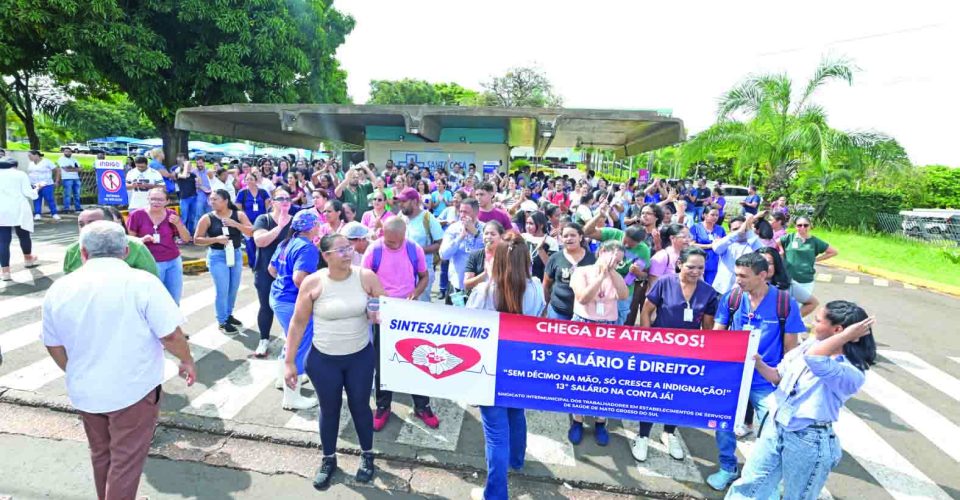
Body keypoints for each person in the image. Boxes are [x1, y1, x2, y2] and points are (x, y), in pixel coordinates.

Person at [41, 220, 196, 500]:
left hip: (85, 389)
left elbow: (53, 344)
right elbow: (171, 335)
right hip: (133, 389)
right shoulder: (142, 283)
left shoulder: (60, 289)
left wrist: (75, 370)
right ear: (125, 251)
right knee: (125, 461)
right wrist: (187, 360)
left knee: (101, 454)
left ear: (84, 253)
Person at [727, 302, 876, 499]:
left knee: (798, 496)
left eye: (818, 320)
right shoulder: (810, 344)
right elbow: (778, 376)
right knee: (749, 487)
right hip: (776, 426)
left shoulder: (850, 371)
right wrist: (758, 363)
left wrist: (847, 335)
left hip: (808, 438)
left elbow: (815, 360)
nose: (812, 323)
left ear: (838, 330)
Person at [284, 233, 385, 489]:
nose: (348, 253)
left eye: (349, 248)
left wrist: (377, 313)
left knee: (360, 406)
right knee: (329, 409)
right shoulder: (313, 283)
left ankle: (367, 455)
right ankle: (329, 459)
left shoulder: (366, 277)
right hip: (323, 360)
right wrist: (289, 362)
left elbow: (385, 309)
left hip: (360, 357)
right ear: (326, 256)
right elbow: (297, 323)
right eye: (340, 250)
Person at [706, 252, 805, 492]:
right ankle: (727, 468)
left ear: (763, 275)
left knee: (771, 430)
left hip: (765, 380)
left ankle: (764, 479)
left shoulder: (784, 302)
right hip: (735, 376)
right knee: (723, 425)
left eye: (744, 276)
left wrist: (787, 380)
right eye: (736, 274)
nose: (738, 280)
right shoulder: (732, 297)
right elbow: (719, 333)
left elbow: (792, 348)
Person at [466, 232, 546, 500]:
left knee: (495, 435)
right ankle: (518, 459)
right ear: (526, 260)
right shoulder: (535, 288)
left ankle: (495, 495)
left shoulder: (483, 291)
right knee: (516, 414)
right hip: (521, 364)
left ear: (496, 260)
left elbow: (467, 329)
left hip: (489, 368)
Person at [633, 247, 718, 462]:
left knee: (678, 394)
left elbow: (707, 327)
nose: (695, 271)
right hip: (659, 349)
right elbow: (646, 311)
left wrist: (705, 354)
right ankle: (642, 435)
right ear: (680, 264)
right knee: (652, 392)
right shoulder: (664, 282)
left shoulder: (708, 292)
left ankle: (669, 433)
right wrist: (646, 340)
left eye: (700, 267)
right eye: (691, 266)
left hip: (688, 353)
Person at [362, 218, 438, 430]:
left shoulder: (414, 250)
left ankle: (422, 406)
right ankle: (383, 406)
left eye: (395, 242)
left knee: (416, 360)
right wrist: (374, 305)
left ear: (404, 236)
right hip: (383, 315)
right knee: (383, 363)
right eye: (387, 241)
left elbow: (423, 276)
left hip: (408, 314)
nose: (390, 245)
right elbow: (363, 279)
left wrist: (415, 293)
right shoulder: (374, 250)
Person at [566, 240, 629, 446]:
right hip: (583, 325)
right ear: (601, 252)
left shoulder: (616, 274)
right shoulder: (582, 272)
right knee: (580, 374)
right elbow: (583, 298)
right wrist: (601, 274)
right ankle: (577, 419)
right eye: (612, 259)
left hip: (608, 326)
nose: (614, 264)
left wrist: (612, 272)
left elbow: (623, 295)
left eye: (618, 262)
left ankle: (601, 420)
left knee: (604, 376)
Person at [269, 210, 322, 410]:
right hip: (292, 302)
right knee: (299, 347)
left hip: (278, 297)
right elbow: (300, 279)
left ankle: (281, 379)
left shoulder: (286, 242)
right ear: (311, 227)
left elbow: (272, 270)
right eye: (317, 224)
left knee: (289, 340)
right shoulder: (307, 248)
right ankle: (292, 398)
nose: (319, 227)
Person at [194, 189, 253, 334]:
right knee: (222, 290)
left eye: (215, 199)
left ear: (226, 201)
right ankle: (222, 320)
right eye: (211, 199)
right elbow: (196, 239)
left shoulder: (238, 215)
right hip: (217, 256)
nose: (212, 202)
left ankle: (228, 314)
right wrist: (216, 239)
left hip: (236, 254)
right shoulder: (207, 218)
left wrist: (236, 225)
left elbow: (251, 231)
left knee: (233, 289)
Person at [251, 187, 296, 357]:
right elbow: (260, 242)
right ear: (272, 202)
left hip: (289, 272)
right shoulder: (263, 219)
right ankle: (263, 339)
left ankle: (290, 340)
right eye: (280, 199)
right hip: (264, 270)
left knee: (291, 307)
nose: (285, 202)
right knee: (266, 306)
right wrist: (280, 227)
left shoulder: (295, 220)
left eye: (287, 199)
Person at [126, 188, 191, 304]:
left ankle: (173, 322)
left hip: (173, 261)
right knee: (153, 300)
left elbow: (186, 238)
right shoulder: (137, 215)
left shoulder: (172, 215)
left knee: (173, 300)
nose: (156, 202)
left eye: (160, 200)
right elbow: (129, 241)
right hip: (149, 261)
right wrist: (141, 240)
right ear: (148, 199)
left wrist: (178, 224)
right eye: (153, 199)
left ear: (167, 201)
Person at [63, 206, 159, 276]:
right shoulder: (72, 251)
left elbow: (151, 281)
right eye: (81, 224)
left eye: (92, 223)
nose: (85, 228)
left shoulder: (136, 247)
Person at [780, 216, 838, 317]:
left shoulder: (815, 241)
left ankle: (793, 322)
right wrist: (781, 252)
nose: (802, 227)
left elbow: (833, 252)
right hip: (788, 279)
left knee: (800, 307)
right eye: (799, 225)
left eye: (805, 225)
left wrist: (817, 259)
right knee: (785, 306)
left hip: (805, 281)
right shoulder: (789, 238)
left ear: (810, 226)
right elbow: (777, 242)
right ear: (795, 226)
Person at [396, 187, 444, 301]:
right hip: (401, 270)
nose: (400, 204)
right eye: (400, 201)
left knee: (421, 308)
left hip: (423, 272)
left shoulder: (428, 218)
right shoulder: (400, 216)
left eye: (404, 201)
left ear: (414, 202)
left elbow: (440, 243)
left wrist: (418, 250)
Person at [543, 222, 597, 320]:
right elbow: (546, 285)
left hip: (584, 314)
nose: (569, 238)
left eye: (573, 235)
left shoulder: (593, 259)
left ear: (580, 237)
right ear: (561, 239)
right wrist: (545, 307)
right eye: (565, 236)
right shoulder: (555, 258)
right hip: (558, 312)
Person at [439, 197, 486, 304]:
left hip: (479, 287)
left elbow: (494, 249)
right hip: (457, 286)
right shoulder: (453, 229)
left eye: (466, 212)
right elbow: (443, 255)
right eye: (460, 211)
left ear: (476, 213)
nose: (462, 215)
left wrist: (476, 233)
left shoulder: (486, 229)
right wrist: (460, 237)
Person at [0, 156, 39, 280]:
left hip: (1, 210)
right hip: (19, 209)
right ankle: (28, 259)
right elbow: (29, 194)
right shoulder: (20, 174)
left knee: (3, 241)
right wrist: (37, 188)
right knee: (23, 235)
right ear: (14, 166)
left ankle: (5, 271)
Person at [711, 214, 764, 295]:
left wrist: (749, 230)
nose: (741, 231)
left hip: (744, 292)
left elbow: (762, 252)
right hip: (722, 290)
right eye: (735, 229)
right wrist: (738, 232)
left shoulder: (753, 243)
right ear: (730, 232)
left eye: (742, 227)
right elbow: (717, 248)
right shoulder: (726, 243)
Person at [236, 174, 271, 269]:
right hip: (248, 222)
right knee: (250, 245)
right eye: (247, 179)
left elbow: (268, 206)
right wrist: (244, 222)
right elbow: (239, 209)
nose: (249, 181)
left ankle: (263, 264)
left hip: (262, 222)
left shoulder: (263, 192)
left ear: (255, 180)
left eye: (251, 179)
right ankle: (254, 265)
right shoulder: (242, 193)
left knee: (262, 243)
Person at [690, 205, 727, 285]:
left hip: (714, 263)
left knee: (710, 287)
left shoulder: (720, 229)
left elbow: (725, 244)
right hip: (699, 261)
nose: (715, 217)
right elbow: (691, 244)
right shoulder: (696, 227)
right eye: (712, 215)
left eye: (717, 215)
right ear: (705, 215)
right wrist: (710, 246)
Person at [464, 220, 505, 291]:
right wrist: (484, 275)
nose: (489, 237)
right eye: (486, 233)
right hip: (479, 297)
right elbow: (467, 284)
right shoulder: (475, 255)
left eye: (493, 234)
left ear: (501, 237)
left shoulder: (507, 255)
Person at [648, 223, 689, 287]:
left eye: (688, 236)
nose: (687, 240)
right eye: (683, 237)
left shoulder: (689, 256)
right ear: (672, 238)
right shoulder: (661, 256)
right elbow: (653, 286)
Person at [521, 211, 557, 281]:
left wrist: (541, 249)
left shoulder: (550, 242)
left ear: (541, 225)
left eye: (531, 224)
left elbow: (551, 266)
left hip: (540, 280)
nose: (528, 226)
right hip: (523, 279)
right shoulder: (523, 237)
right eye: (527, 223)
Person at [27, 150, 60, 220]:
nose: (29, 157)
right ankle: (37, 214)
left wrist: (56, 181)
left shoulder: (46, 161)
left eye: (30, 156)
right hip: (34, 184)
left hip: (46, 183)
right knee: (36, 199)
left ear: (36, 155)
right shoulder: (31, 163)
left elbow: (57, 170)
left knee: (49, 198)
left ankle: (54, 213)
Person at [173, 158, 200, 235]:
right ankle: (182, 235)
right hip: (184, 199)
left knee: (192, 218)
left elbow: (200, 182)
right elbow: (184, 176)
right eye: (188, 165)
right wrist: (185, 166)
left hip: (194, 198)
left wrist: (196, 173)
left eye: (190, 166)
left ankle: (190, 234)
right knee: (184, 218)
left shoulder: (192, 175)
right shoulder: (178, 174)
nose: (189, 167)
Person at [58, 146, 83, 214]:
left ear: (71, 152)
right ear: (63, 152)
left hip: (76, 178)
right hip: (67, 179)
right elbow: (66, 169)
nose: (67, 153)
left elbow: (80, 168)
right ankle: (66, 209)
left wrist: (71, 168)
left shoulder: (74, 159)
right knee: (67, 194)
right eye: (66, 151)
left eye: (69, 151)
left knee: (77, 194)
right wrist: (75, 169)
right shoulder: (61, 159)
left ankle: (78, 208)